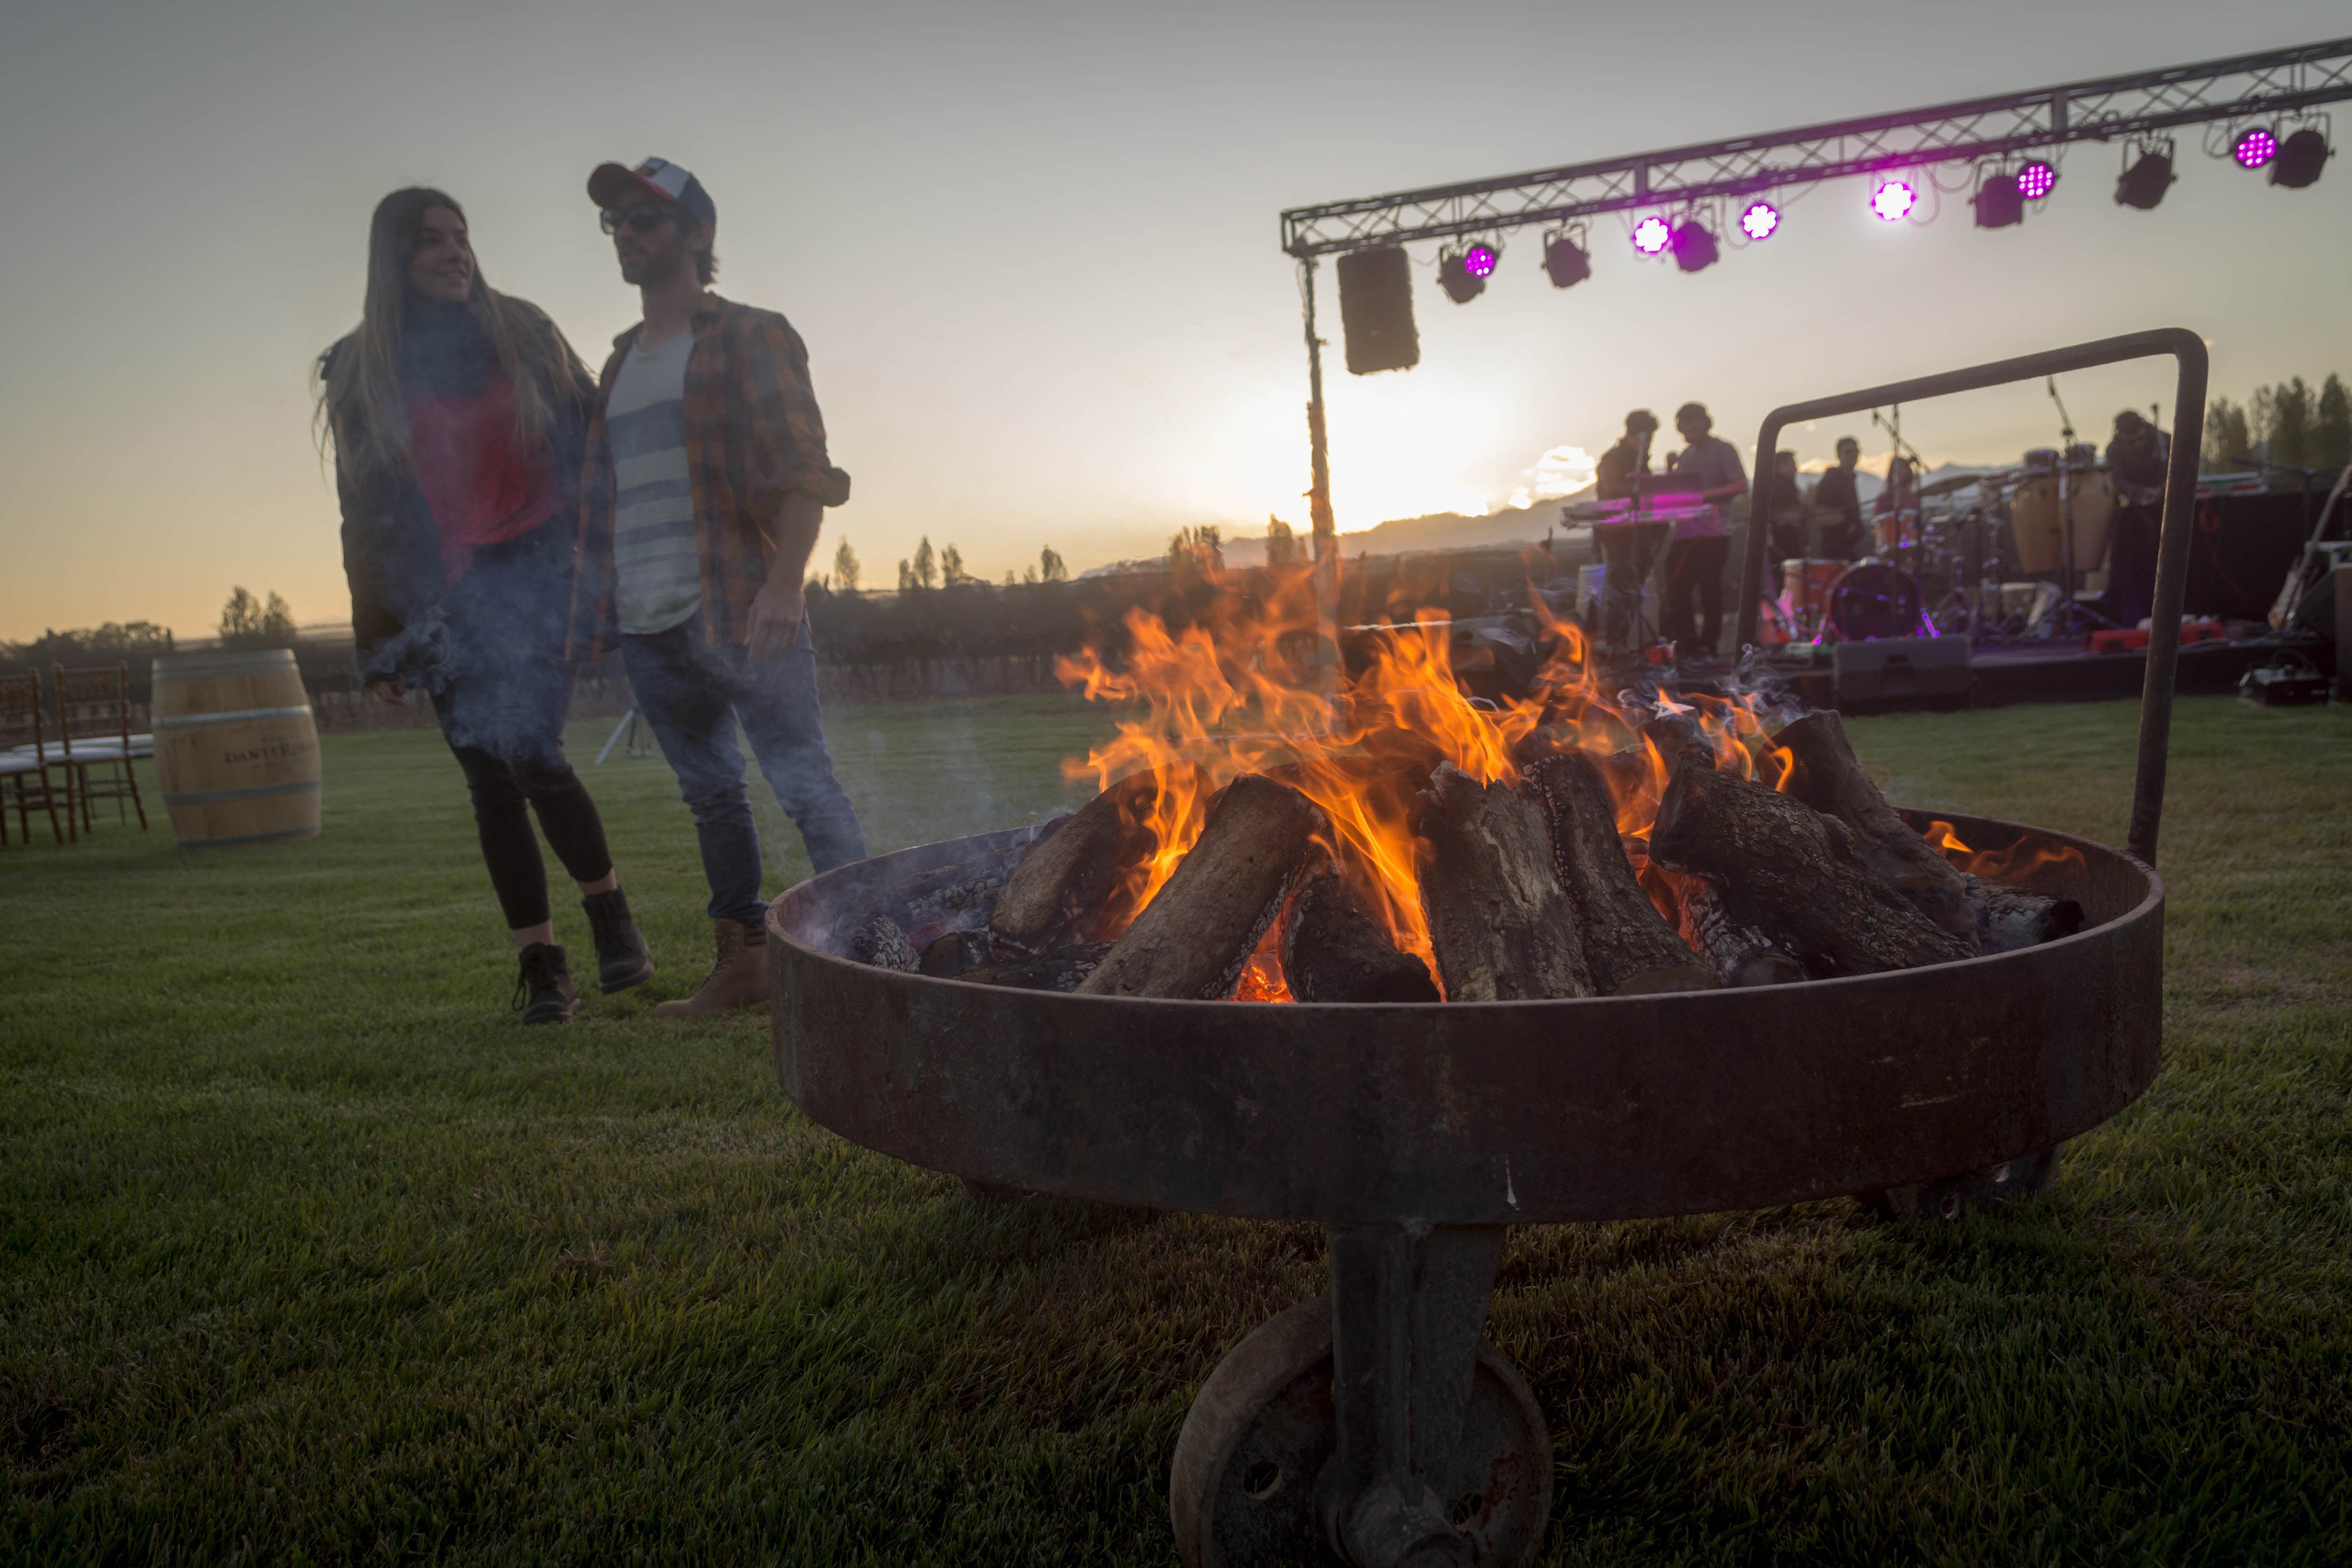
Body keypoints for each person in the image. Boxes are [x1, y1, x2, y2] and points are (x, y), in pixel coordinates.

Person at [320, 188, 654, 1025]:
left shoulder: (524, 331)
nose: (454, 253)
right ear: (393, 259)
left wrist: (606, 575)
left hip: (536, 576)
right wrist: (381, 636)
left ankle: (611, 912)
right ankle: (542, 964)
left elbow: (590, 441)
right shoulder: (364, 366)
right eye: (430, 241)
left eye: (462, 237)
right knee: (487, 776)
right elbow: (362, 508)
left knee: (533, 752)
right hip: (443, 595)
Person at [569, 156, 866, 1017]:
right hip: (648, 619)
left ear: (698, 235)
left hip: (738, 604)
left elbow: (805, 472)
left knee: (803, 781)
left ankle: (865, 951)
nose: (628, 231)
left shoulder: (750, 334)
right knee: (710, 794)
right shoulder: (619, 362)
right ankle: (744, 965)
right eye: (617, 220)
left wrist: (784, 586)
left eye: (648, 218)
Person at [1661, 402, 1748, 659]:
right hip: (1685, 532)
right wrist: (1669, 470)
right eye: (1687, 432)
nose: (1692, 436)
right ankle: (1687, 643)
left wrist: (1705, 496)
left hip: (1714, 533)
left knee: (1710, 588)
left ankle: (1709, 644)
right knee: (1676, 585)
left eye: (1696, 430)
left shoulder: (1724, 450)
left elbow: (1741, 484)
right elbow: (1676, 493)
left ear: (1707, 425)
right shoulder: (1686, 454)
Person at [1592, 408, 1666, 650]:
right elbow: (1612, 487)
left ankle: (1626, 640)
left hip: (1640, 533)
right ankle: (1615, 641)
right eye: (1647, 437)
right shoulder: (1613, 459)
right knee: (1620, 586)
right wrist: (1643, 488)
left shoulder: (1640, 459)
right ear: (1637, 435)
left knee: (1634, 586)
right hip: (1618, 535)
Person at [2104, 409, 2169, 628]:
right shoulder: (2113, 451)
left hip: (2167, 506)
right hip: (2135, 512)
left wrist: (2164, 489)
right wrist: (2142, 492)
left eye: (2139, 440)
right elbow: (2117, 481)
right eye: (2129, 443)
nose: (2136, 446)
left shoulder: (2164, 441)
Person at [1809, 437, 1866, 561]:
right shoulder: (1829, 482)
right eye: (1849, 452)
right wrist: (1846, 521)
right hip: (1833, 553)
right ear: (1839, 455)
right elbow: (1818, 515)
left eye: (1856, 452)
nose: (1853, 455)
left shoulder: (1850, 480)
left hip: (1848, 549)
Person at [1873, 454, 1921, 550]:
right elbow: (1879, 520)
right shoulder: (1886, 497)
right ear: (1892, 473)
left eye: (1905, 468)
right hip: (1892, 544)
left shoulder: (1912, 496)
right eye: (1899, 469)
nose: (1902, 472)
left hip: (1914, 542)